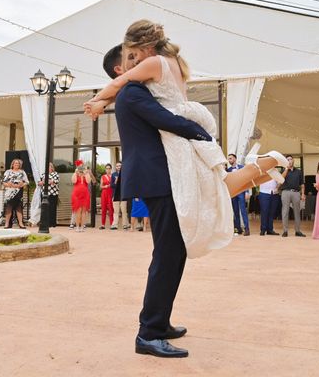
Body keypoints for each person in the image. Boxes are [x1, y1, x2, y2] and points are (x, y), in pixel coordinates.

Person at [84, 22, 287, 258]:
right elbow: (127, 86)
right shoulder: (173, 62)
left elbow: (121, 83)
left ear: (144, 46)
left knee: (203, 191)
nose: (134, 60)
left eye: (134, 53)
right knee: (214, 185)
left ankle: (265, 163)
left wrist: (96, 101)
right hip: (187, 116)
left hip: (177, 128)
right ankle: (264, 165)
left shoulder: (153, 62)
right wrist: (104, 102)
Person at [86, 42, 218, 358]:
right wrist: (205, 136)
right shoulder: (132, 93)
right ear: (120, 70)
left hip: (159, 176)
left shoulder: (134, 91)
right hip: (156, 177)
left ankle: (160, 321)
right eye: (130, 58)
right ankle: (149, 333)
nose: (140, 60)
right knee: (168, 254)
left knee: (172, 252)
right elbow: (167, 120)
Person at [280, 155, 306, 237]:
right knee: (285, 212)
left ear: (293, 160)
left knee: (297, 212)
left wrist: (302, 194)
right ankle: (285, 231)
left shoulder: (298, 172)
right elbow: (281, 179)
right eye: (287, 159)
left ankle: (297, 231)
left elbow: (302, 184)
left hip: (296, 193)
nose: (289, 160)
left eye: (290, 159)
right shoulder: (284, 170)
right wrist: (287, 169)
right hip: (285, 192)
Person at [227, 154, 250, 236]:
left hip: (241, 192)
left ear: (235, 159)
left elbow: (246, 180)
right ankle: (238, 229)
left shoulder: (242, 167)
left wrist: (247, 192)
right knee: (235, 211)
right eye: (228, 159)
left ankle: (247, 229)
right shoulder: (228, 170)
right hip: (233, 193)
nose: (229, 160)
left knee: (243, 211)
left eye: (231, 158)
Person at [2, 159, 28, 229]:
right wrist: (9, 184)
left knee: (19, 207)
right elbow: (4, 182)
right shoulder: (8, 171)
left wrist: (22, 184)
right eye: (15, 163)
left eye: (18, 163)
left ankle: (21, 223)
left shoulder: (22, 172)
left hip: (19, 191)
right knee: (9, 207)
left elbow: (26, 182)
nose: (17, 164)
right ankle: (7, 224)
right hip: (9, 192)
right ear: (12, 164)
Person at [71, 160, 91, 232]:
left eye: (82, 166)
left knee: (84, 211)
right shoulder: (75, 173)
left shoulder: (86, 173)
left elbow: (88, 181)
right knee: (78, 210)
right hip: (76, 194)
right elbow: (74, 181)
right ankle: (77, 227)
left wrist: (86, 173)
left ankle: (82, 227)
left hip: (85, 194)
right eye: (79, 166)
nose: (81, 167)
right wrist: (75, 172)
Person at [38, 162, 59, 227]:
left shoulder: (55, 174)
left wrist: (46, 181)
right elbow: (39, 183)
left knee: (52, 208)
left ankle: (52, 223)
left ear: (52, 167)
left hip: (53, 193)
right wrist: (44, 182)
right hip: (44, 194)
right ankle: (45, 223)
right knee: (44, 209)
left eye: (49, 166)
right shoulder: (43, 174)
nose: (48, 168)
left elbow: (55, 182)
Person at [111, 162, 128, 230]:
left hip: (123, 195)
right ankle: (115, 225)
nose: (119, 167)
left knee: (124, 210)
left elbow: (127, 185)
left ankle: (125, 224)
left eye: (120, 166)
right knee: (116, 211)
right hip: (115, 195)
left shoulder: (125, 174)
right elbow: (111, 185)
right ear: (116, 167)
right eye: (117, 166)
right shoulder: (113, 175)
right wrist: (115, 182)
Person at [99, 163, 114, 230]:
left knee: (111, 209)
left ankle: (112, 224)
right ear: (105, 169)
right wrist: (105, 186)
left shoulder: (113, 176)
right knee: (104, 209)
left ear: (111, 169)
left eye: (109, 168)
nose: (108, 170)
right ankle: (103, 224)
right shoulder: (103, 176)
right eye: (107, 168)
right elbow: (100, 186)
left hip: (111, 193)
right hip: (104, 193)